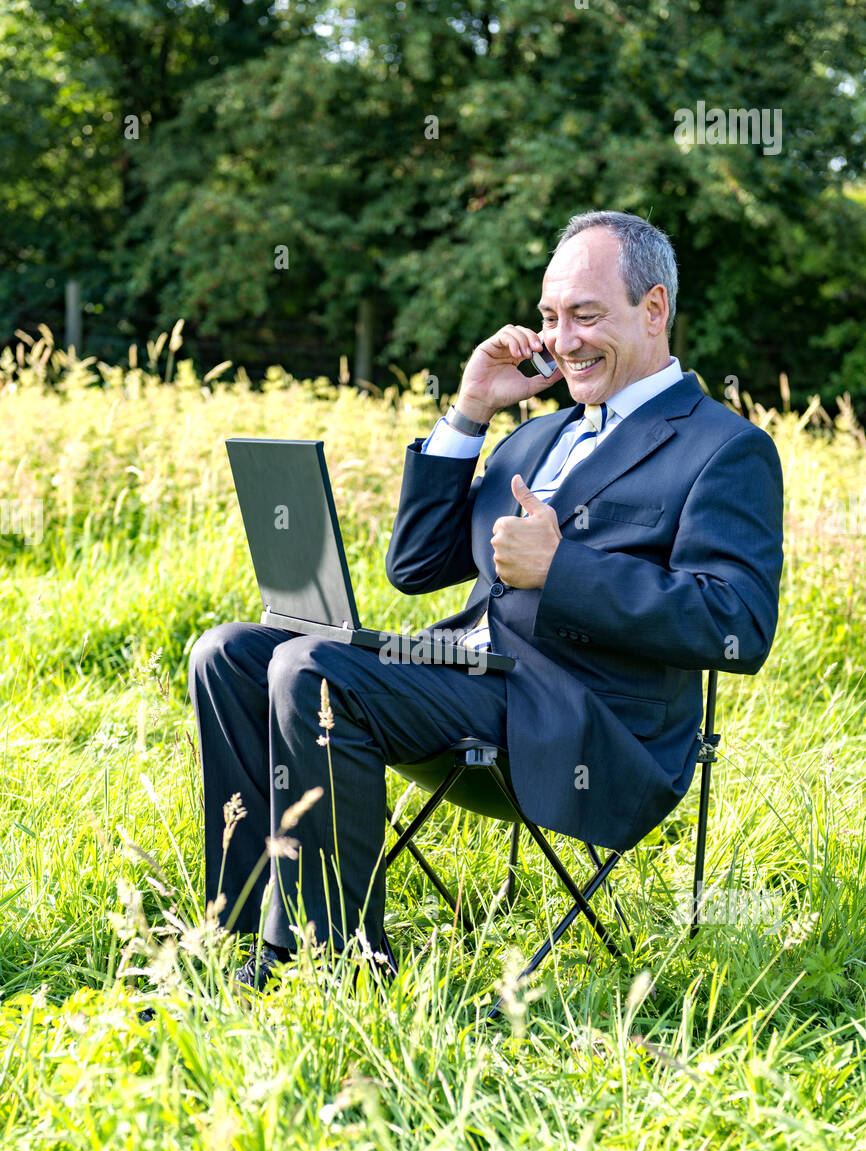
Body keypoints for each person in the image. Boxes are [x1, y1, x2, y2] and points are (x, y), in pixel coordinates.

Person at [188, 210, 784, 989]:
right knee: (228, 653)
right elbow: (417, 564)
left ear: (654, 309)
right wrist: (471, 411)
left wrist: (562, 569)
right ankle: (230, 941)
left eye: (586, 315)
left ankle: (328, 970)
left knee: (314, 670)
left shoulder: (723, 447)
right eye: (549, 317)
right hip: (468, 674)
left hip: (588, 726)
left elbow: (736, 623)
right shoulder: (534, 438)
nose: (563, 339)